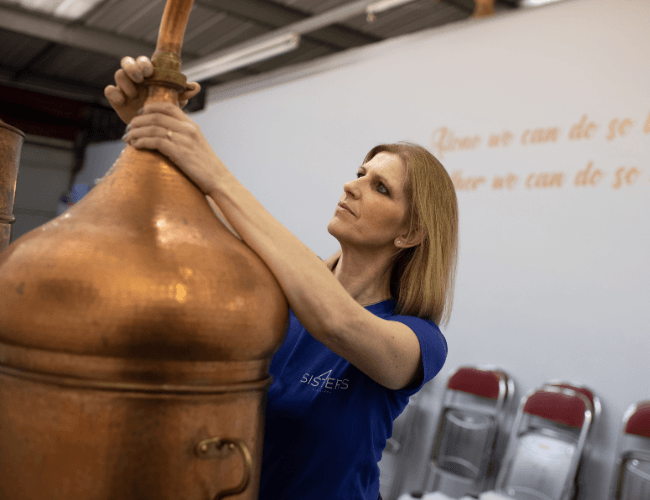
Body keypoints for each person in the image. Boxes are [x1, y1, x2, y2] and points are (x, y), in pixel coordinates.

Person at [105, 55, 459, 500]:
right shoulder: (282, 289)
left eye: (380, 187)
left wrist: (214, 170)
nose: (352, 187)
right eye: (360, 174)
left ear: (409, 234)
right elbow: (211, 223)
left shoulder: (418, 341)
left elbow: (336, 322)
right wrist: (153, 130)